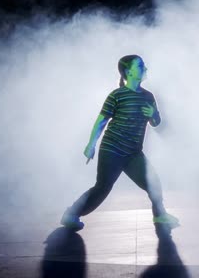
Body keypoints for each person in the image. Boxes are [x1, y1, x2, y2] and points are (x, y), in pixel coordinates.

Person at [61, 54, 179, 235]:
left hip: (133, 153)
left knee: (153, 183)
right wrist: (91, 145)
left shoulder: (148, 96)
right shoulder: (116, 95)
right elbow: (101, 121)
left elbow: (156, 123)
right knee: (102, 188)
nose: (144, 69)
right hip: (112, 149)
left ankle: (160, 216)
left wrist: (153, 114)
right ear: (128, 72)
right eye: (140, 66)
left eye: (144, 66)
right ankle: (72, 213)